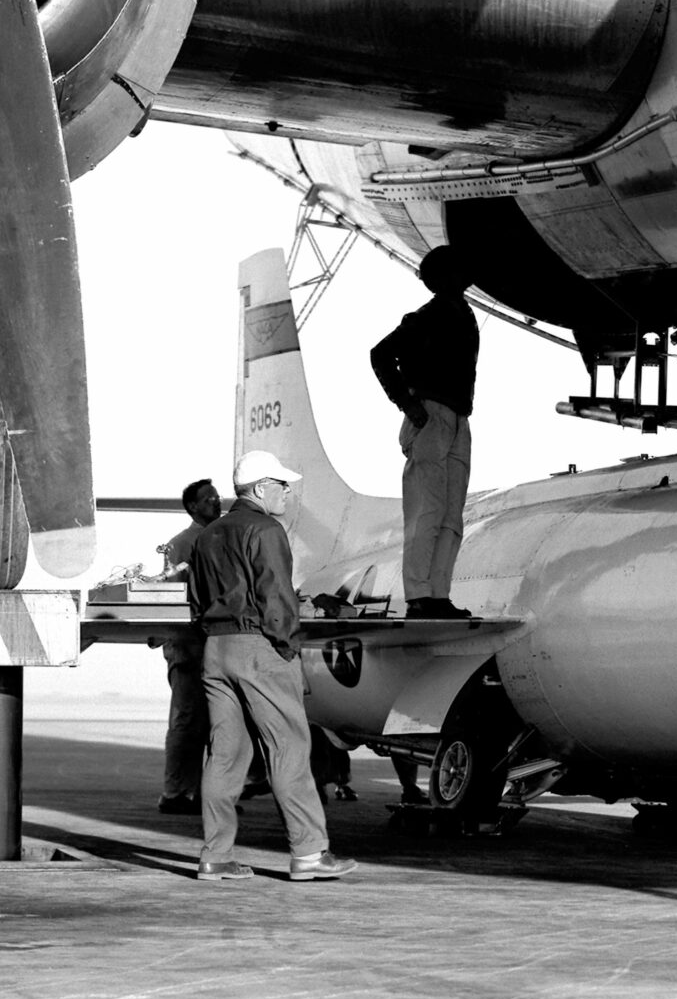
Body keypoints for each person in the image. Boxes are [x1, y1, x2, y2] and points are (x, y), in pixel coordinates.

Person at [187, 450, 356, 881]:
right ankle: (309, 853)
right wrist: (286, 648)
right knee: (289, 749)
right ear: (261, 488)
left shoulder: (207, 536)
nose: (287, 492)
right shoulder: (266, 529)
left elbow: (196, 601)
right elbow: (276, 597)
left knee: (224, 755)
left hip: (216, 648)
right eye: (282, 485)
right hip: (258, 647)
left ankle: (215, 856)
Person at [371, 246, 479, 620]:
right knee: (427, 511)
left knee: (450, 512)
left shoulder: (460, 314)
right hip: (431, 415)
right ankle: (419, 596)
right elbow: (381, 354)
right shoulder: (429, 316)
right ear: (444, 277)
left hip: (455, 417)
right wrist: (406, 403)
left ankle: (437, 595)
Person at [150, 477, 224, 814]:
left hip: (216, 647)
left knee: (216, 725)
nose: (216, 501)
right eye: (208, 499)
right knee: (187, 723)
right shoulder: (181, 544)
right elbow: (169, 596)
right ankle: (177, 792)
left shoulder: (223, 538)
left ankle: (204, 793)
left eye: (216, 497)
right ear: (192, 506)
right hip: (190, 648)